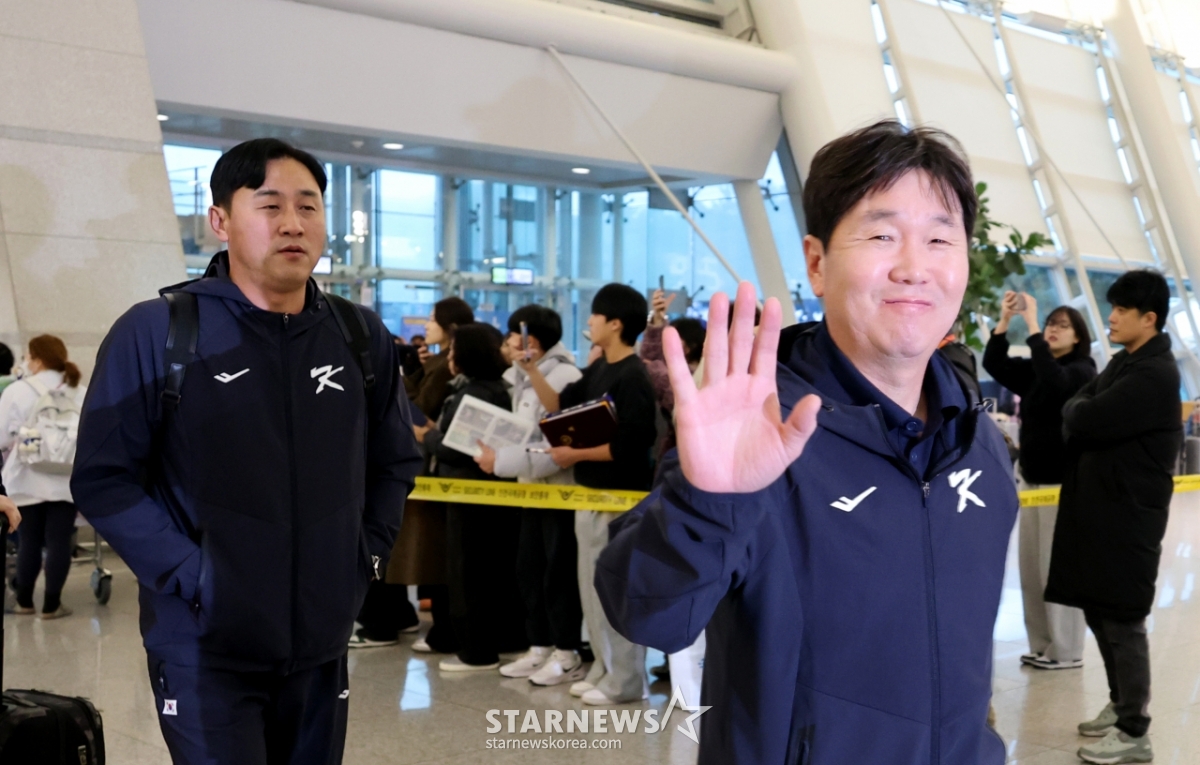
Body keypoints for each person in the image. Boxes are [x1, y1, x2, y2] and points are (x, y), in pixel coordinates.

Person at [595, 120, 1020, 763]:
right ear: (817, 264)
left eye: (940, 238)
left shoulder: (977, 445)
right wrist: (704, 501)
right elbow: (649, 616)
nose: (914, 267)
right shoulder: (762, 432)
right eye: (881, 235)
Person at [71, 138, 421, 765]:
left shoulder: (358, 335)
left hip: (320, 641)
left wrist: (362, 558)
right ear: (220, 220)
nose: (293, 223)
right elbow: (104, 478)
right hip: (204, 645)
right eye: (270, 205)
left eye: (309, 206)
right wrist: (196, 578)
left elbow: (393, 460)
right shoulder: (160, 332)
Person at [1046, 270, 1180, 764]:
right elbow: (1076, 407)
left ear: (1150, 318)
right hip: (1102, 511)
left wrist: (1080, 412)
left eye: (1123, 310)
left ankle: (1134, 730)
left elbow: (1085, 416)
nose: (1112, 316)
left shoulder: (1156, 372)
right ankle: (1120, 703)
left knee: (1123, 619)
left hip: (1128, 516)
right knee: (1101, 611)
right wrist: (1080, 411)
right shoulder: (1127, 362)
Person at [521, 283, 658, 706]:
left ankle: (625, 681)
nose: (589, 323)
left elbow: (634, 443)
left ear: (615, 324)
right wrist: (531, 371)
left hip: (619, 498)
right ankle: (602, 668)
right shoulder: (599, 370)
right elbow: (560, 406)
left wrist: (574, 453)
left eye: (595, 317)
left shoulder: (634, 375)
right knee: (591, 588)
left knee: (615, 590)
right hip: (589, 492)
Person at [983, 294, 1095, 671]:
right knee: (1031, 569)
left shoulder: (1082, 370)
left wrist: (1031, 327)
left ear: (1079, 337)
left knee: (1057, 570)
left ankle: (1067, 650)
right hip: (1031, 480)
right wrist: (1004, 320)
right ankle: (1043, 643)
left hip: (1062, 485)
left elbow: (1057, 381)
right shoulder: (1037, 369)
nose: (1052, 329)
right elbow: (993, 363)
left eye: (1062, 326)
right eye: (1050, 323)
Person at [475, 305, 586, 686]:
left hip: (556, 494)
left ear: (531, 340)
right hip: (529, 491)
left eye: (512, 335)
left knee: (557, 573)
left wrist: (502, 461)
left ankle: (566, 650)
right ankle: (539, 645)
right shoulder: (518, 378)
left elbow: (557, 436)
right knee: (530, 570)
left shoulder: (567, 375)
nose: (507, 343)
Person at [420, 323, 527, 670]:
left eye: (453, 351)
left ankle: (476, 650)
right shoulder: (499, 387)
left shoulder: (476, 394)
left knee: (468, 571)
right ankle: (504, 639)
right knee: (494, 570)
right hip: (493, 494)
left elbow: (458, 448)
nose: (449, 357)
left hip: (470, 495)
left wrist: (427, 436)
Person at [1, 335, 85, 618]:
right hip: (65, 478)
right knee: (60, 541)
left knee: (29, 541)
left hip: (25, 477)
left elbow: (0, 437)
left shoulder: (17, 390)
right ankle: (52, 604)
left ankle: (24, 602)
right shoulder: (80, 391)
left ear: (36, 358)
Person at [406, 298, 473, 420]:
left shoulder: (446, 366)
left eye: (432, 320)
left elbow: (420, 410)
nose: (427, 326)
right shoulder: (437, 360)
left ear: (450, 326)